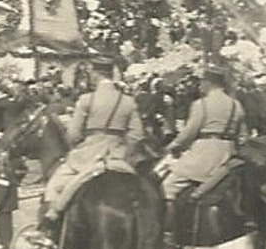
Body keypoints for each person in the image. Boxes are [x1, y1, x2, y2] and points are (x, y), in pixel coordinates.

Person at [42, 71, 145, 229]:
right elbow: (137, 135)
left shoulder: (87, 99)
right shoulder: (128, 102)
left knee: (55, 184)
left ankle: (51, 228)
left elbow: (73, 134)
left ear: (96, 74)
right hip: (118, 155)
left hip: (89, 154)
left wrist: (79, 142)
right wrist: (123, 151)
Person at [160, 64, 244, 206]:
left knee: (167, 187)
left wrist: (173, 146)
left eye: (202, 82)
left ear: (208, 83)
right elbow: (242, 136)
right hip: (229, 155)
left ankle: (169, 227)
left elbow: (190, 132)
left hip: (205, 155)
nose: (200, 86)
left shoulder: (201, 104)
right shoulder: (236, 105)